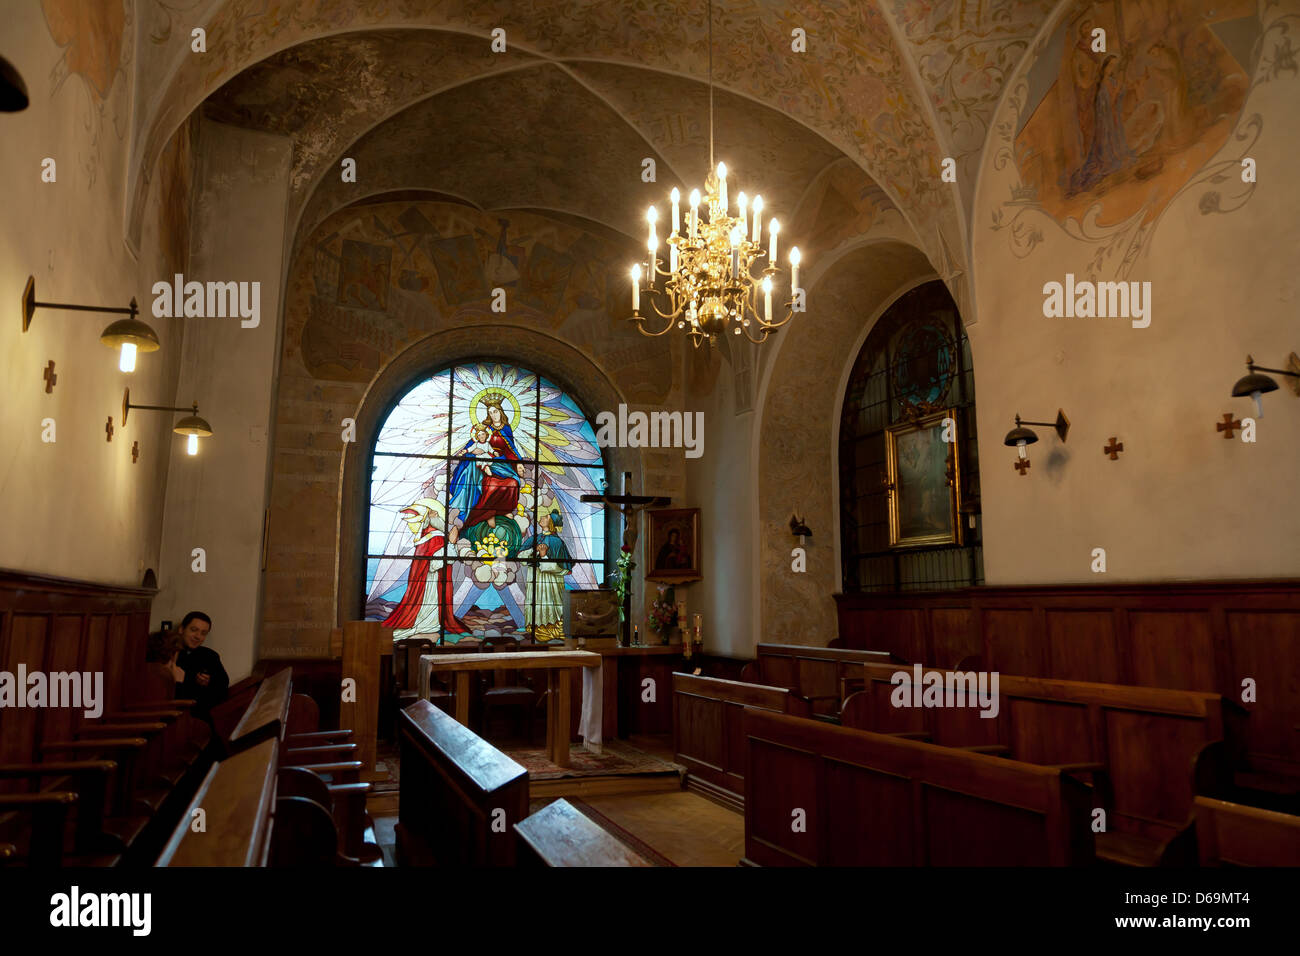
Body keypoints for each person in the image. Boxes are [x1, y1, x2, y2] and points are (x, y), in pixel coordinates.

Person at [168, 611, 229, 719]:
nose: (198, 636)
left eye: (203, 633)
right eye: (194, 630)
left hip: (200, 715)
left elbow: (222, 686)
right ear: (181, 629)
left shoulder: (210, 656)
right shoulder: (168, 653)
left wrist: (209, 683)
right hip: (172, 713)